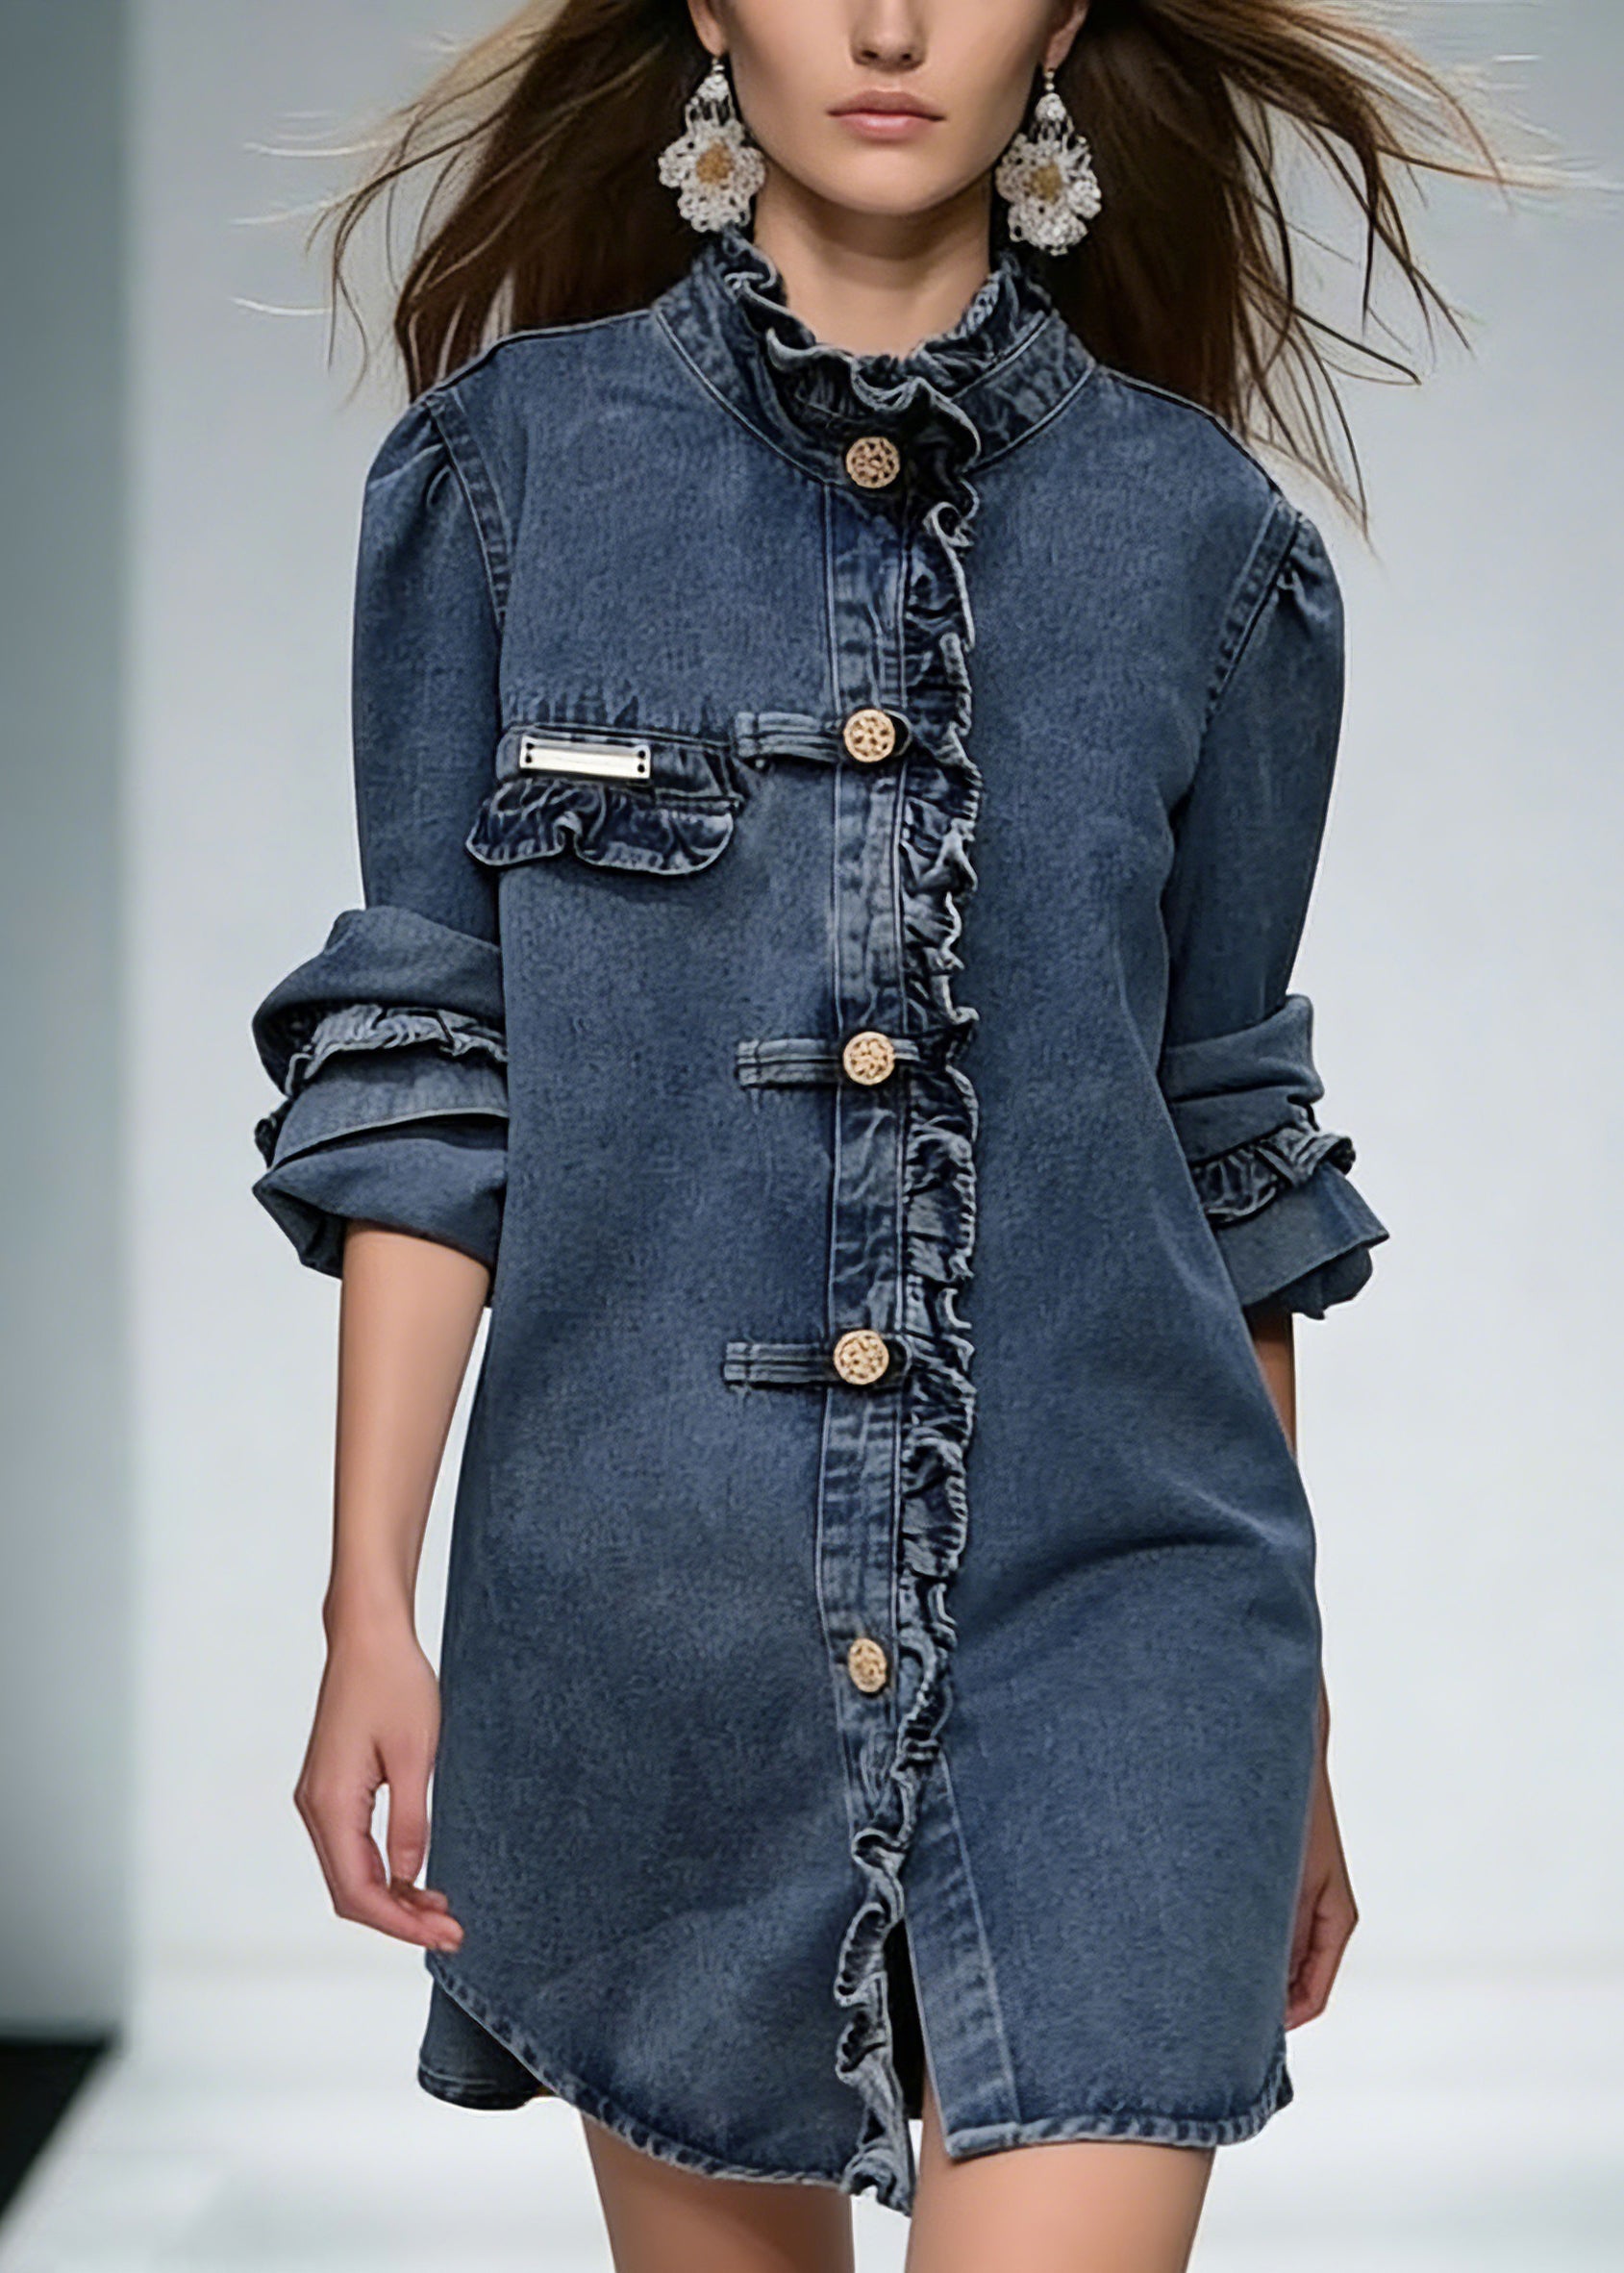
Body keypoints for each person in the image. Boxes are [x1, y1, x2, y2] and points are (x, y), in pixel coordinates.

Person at [249, 5, 1522, 2266]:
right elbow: (432, 1075)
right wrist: (368, 1596)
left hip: (1120, 1623)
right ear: (704, 12)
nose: (888, 24)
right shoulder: (504, 482)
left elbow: (1224, 1163)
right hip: (649, 1628)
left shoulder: (1205, 547)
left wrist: (1292, 1727)